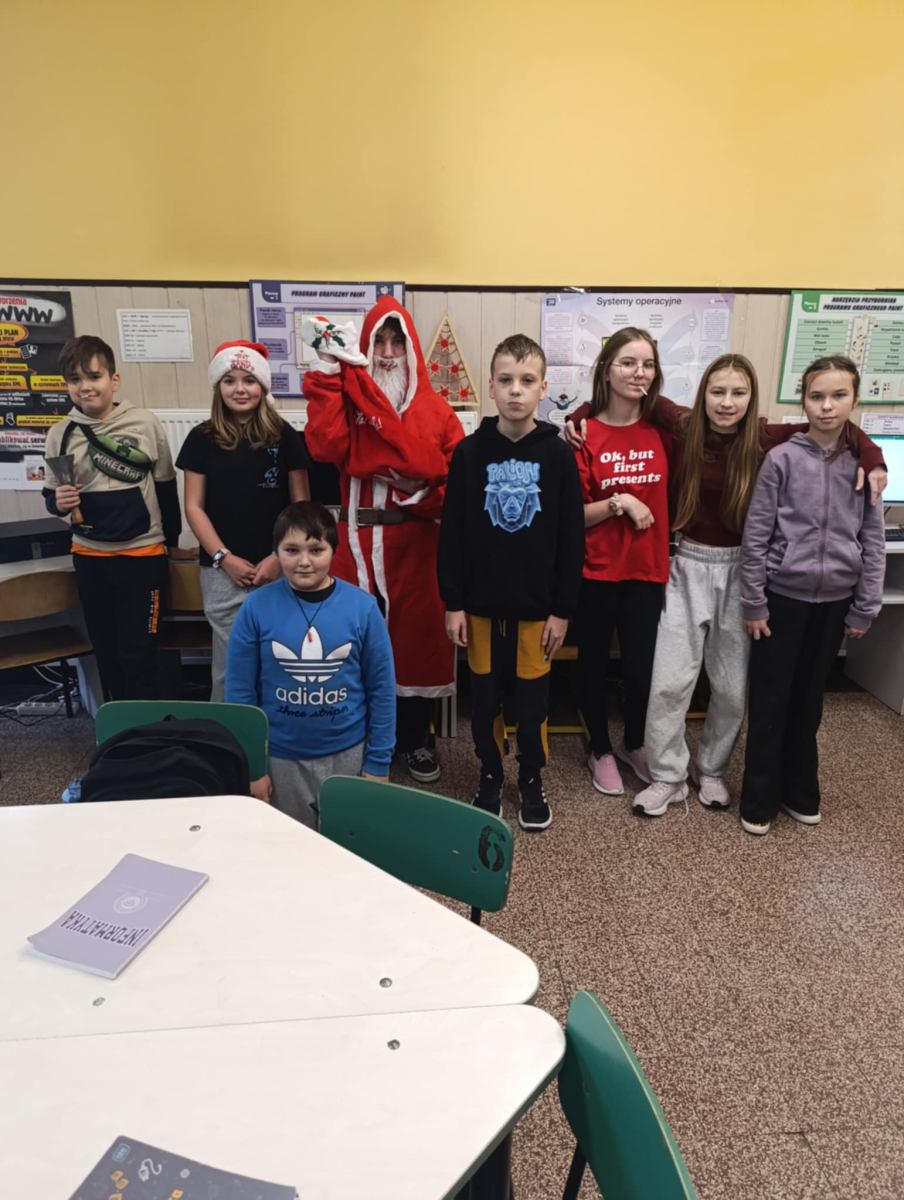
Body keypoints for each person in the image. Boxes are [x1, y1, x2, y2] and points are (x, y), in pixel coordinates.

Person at [630, 354, 887, 816]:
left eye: (739, 392)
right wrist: (577, 414)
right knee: (669, 682)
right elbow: (634, 396)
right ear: (704, 394)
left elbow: (835, 427)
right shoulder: (685, 428)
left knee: (731, 688)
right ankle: (668, 774)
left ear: (752, 398)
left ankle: (711, 769)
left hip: (744, 571)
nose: (727, 402)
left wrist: (873, 456)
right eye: (718, 391)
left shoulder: (768, 439)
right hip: (687, 564)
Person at [302, 298, 463, 784]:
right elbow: (324, 447)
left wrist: (414, 492)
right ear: (366, 347)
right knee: (355, 642)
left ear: (410, 349)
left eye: (397, 343)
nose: (388, 354)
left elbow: (455, 482)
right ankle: (363, 738)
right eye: (380, 343)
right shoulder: (348, 403)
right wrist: (327, 374)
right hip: (353, 542)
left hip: (414, 542)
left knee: (413, 643)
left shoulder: (437, 412)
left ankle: (414, 740)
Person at [438, 334, 584, 830]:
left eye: (526, 381)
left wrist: (562, 609)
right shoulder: (468, 454)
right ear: (491, 386)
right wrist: (453, 602)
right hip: (480, 607)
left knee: (532, 702)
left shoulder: (558, 456)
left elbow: (571, 538)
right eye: (505, 380)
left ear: (543, 387)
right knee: (484, 700)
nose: (515, 390)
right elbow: (452, 533)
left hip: (537, 611)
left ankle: (530, 774)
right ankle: (490, 771)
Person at [738, 356, 885, 835]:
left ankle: (800, 791)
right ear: (803, 401)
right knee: (770, 700)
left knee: (808, 701)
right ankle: (758, 798)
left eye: (838, 396)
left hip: (835, 603)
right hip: (782, 600)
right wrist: (754, 601)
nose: (827, 406)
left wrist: (865, 605)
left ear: (854, 400)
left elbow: (873, 539)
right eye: (816, 396)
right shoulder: (782, 459)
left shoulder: (865, 465)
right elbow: (757, 535)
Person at [225, 502, 396, 828]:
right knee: (288, 844)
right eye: (292, 550)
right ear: (276, 552)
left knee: (348, 843)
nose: (304, 561)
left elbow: (382, 690)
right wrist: (253, 766)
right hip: (279, 756)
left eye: (316, 550)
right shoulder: (255, 608)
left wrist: (378, 762)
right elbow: (240, 693)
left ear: (333, 550)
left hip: (348, 752)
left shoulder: (363, 608)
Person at [43, 335, 181, 700]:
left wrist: (171, 544)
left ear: (114, 379)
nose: (85, 387)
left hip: (143, 555)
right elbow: (52, 496)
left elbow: (166, 487)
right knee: (107, 650)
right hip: (91, 557)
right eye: (75, 379)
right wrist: (58, 502)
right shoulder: (59, 434)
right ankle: (118, 726)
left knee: (141, 651)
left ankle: (147, 725)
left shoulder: (145, 423)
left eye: (94, 376)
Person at [176, 340, 310, 701]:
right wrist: (224, 558)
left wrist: (280, 557)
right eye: (229, 380)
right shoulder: (201, 439)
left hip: (278, 566)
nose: (240, 389)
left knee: (280, 658)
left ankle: (280, 729)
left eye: (249, 380)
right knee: (230, 663)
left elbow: (300, 506)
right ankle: (230, 732)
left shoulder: (285, 436)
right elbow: (193, 507)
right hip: (222, 570)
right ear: (218, 386)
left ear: (262, 386)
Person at [572, 328, 673, 799]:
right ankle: (599, 748)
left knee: (641, 669)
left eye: (647, 364)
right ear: (607, 370)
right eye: (628, 363)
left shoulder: (665, 432)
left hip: (646, 572)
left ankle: (634, 743)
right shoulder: (583, 433)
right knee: (592, 665)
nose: (639, 373)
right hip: (595, 572)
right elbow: (573, 515)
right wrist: (621, 501)